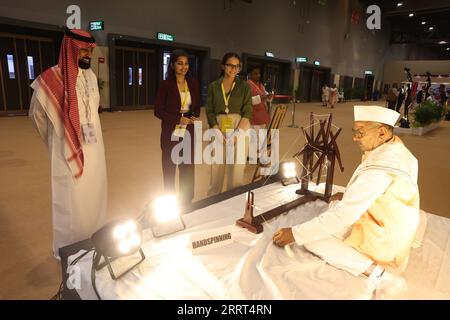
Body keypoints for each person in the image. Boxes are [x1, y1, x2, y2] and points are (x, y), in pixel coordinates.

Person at [273, 105, 420, 297]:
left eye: (360, 132)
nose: (354, 138)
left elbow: (345, 214)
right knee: (330, 211)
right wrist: (349, 196)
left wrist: (295, 234)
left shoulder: (380, 168)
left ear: (382, 132)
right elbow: (384, 191)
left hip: (386, 235)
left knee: (311, 239)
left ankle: (382, 276)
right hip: (394, 219)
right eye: (354, 131)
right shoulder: (395, 147)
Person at [29, 28, 107, 259]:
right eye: (82, 49)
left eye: (89, 50)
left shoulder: (91, 77)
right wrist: (55, 141)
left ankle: (94, 240)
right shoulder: (50, 78)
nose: (87, 54)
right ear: (69, 48)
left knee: (95, 195)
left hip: (95, 150)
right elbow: (37, 116)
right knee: (69, 203)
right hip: (66, 150)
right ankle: (69, 250)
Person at [154, 49, 200, 205]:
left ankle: (187, 200)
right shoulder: (165, 85)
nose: (184, 67)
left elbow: (197, 106)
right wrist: (178, 119)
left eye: (186, 63)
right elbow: (158, 111)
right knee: (169, 166)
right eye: (180, 63)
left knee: (187, 166)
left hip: (189, 131)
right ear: (172, 65)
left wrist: (193, 115)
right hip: (171, 131)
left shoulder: (193, 83)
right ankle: (170, 201)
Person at [206, 52, 252, 196]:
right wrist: (216, 129)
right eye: (230, 65)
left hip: (240, 126)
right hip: (219, 126)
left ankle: (233, 199)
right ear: (223, 66)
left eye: (237, 66)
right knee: (217, 166)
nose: (233, 69)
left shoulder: (244, 86)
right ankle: (213, 199)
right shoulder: (214, 86)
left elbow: (248, 110)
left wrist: (238, 133)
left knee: (237, 168)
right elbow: (210, 110)